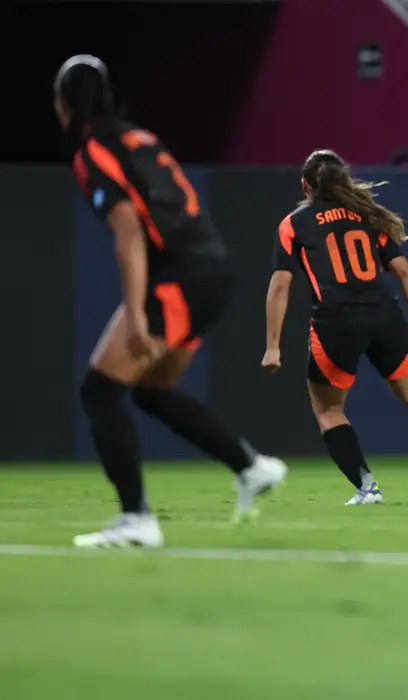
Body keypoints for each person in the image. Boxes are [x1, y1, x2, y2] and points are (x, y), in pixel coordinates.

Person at [58, 55, 287, 548]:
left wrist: (136, 312)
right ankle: (251, 467)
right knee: (152, 389)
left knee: (100, 391)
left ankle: (136, 520)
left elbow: (129, 233)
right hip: (210, 270)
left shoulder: (94, 150)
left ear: (65, 104)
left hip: (178, 277)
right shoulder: (140, 139)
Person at [262, 150, 408, 503]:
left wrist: (273, 346)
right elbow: (405, 273)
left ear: (305, 185)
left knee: (328, 410)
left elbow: (280, 285)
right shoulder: (365, 215)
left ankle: (367, 487)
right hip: (384, 316)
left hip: (336, 323)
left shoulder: (294, 223)